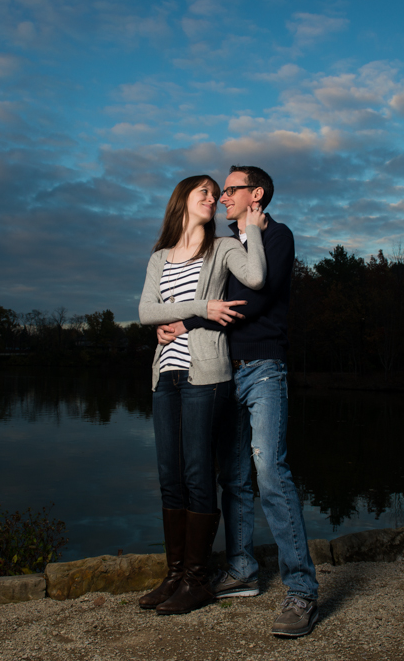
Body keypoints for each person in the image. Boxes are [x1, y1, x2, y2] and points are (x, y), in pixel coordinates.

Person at [156, 165, 320, 637]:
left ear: (257, 194)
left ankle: (302, 589)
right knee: (234, 478)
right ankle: (243, 568)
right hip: (224, 372)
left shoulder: (277, 236)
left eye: (231, 190)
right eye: (222, 191)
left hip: (265, 369)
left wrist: (190, 324)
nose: (224, 197)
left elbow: (259, 297)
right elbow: (203, 297)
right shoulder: (225, 245)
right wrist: (174, 319)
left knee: (270, 470)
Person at [137, 174, 267, 615]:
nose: (214, 199)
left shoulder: (225, 248)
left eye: (217, 194)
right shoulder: (159, 257)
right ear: (183, 202)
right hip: (165, 376)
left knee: (197, 476)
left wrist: (250, 228)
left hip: (205, 374)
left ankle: (196, 580)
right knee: (169, 476)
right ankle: (174, 576)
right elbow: (145, 311)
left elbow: (257, 277)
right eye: (205, 193)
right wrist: (200, 308)